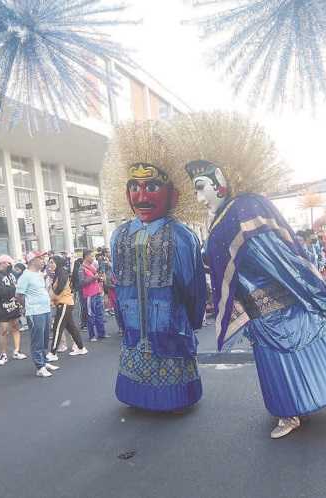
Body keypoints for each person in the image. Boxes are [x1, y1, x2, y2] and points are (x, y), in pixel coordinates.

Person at [177, 112, 326, 438]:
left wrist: (309, 289)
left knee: (281, 359)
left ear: (221, 181)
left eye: (202, 187)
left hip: (272, 302)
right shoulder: (221, 219)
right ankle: (298, 404)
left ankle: (290, 412)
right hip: (256, 303)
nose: (199, 196)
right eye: (195, 190)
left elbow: (275, 258)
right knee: (278, 358)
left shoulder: (244, 209)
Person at [107, 121, 207, 412]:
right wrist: (122, 318)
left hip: (170, 322)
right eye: (134, 187)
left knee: (170, 351)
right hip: (133, 323)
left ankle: (175, 399)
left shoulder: (181, 236)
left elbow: (194, 286)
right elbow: (116, 280)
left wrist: (193, 318)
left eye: (151, 186)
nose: (141, 196)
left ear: (173, 194)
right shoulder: (119, 235)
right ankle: (136, 396)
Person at [16, 250, 59, 378]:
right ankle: (39, 366)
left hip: (45, 310)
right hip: (35, 312)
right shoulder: (26, 276)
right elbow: (19, 295)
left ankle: (44, 361)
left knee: (45, 338)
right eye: (40, 258)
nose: (43, 261)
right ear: (33, 260)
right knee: (37, 340)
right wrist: (28, 306)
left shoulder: (39, 274)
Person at [46, 254, 88, 361]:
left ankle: (53, 352)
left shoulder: (62, 273)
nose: (50, 264)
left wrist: (51, 291)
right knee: (71, 328)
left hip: (64, 303)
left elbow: (58, 290)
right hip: (64, 303)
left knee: (57, 327)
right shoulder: (58, 273)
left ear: (58, 263)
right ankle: (81, 347)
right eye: (49, 262)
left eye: (52, 262)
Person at [0, 255, 26, 366]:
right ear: (3, 263)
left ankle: (17, 350)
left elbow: (17, 286)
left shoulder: (11, 275)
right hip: (2, 308)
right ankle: (3, 354)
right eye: (9, 264)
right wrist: (12, 289)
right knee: (4, 330)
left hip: (13, 306)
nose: (11, 266)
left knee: (15, 326)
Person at [80, 249, 107, 341]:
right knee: (91, 315)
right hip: (89, 294)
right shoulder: (81, 268)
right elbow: (82, 282)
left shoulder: (92, 266)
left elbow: (96, 278)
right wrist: (94, 278)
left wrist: (99, 279)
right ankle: (92, 335)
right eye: (91, 256)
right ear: (86, 256)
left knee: (100, 313)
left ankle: (101, 333)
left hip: (97, 292)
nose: (93, 258)